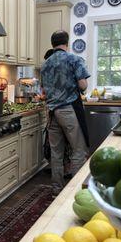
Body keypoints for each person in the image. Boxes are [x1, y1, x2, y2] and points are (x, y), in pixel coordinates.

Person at [41, 30, 90, 193]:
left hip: (52, 113)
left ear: (52, 43)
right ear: (67, 43)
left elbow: (44, 90)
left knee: (56, 153)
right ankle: (74, 191)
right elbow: (83, 85)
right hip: (69, 111)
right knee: (79, 151)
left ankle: (56, 190)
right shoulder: (74, 59)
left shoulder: (45, 64)